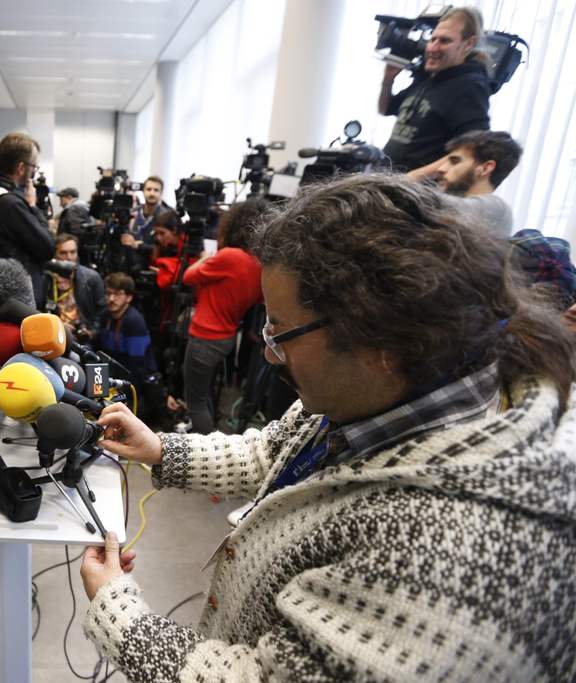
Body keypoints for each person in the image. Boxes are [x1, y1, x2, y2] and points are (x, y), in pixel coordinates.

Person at [80, 173, 576, 682]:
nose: (269, 353)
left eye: (281, 331)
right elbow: (273, 455)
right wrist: (161, 449)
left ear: (378, 340)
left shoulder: (453, 561)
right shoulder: (373, 393)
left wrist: (118, 611)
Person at [181, 199, 267, 434]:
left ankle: (205, 446)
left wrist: (204, 257)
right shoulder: (259, 265)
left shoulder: (229, 256)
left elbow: (188, 277)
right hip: (226, 338)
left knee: (195, 402)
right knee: (205, 392)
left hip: (204, 338)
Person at [379, 7, 492, 170]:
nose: (432, 48)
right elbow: (385, 109)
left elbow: (471, 152)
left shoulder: (470, 86)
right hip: (387, 178)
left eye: (445, 41)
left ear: (469, 44)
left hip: (417, 190)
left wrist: (413, 179)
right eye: (433, 40)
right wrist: (388, 79)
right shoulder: (428, 76)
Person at [408, 130, 523, 237]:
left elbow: (422, 199)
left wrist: (414, 176)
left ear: (485, 168)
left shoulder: (497, 209)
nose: (441, 168)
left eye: (454, 161)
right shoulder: (452, 203)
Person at [0, 132, 55, 298]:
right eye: (34, 167)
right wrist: (33, 206)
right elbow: (47, 247)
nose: (34, 173)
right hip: (18, 293)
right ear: (21, 168)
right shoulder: (11, 203)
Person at [96, 273, 156, 390]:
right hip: (112, 376)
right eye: (108, 293)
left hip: (132, 382)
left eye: (118, 294)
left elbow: (137, 365)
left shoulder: (134, 321)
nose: (111, 299)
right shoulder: (105, 315)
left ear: (129, 297)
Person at [44, 232, 106, 343]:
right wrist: (56, 325)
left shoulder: (91, 277)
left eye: (73, 252)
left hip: (83, 337)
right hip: (55, 335)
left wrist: (92, 332)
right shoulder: (46, 278)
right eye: (63, 253)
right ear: (55, 255)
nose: (69, 257)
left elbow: (102, 310)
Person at [131, 175, 167, 242]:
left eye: (156, 190)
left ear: (161, 193)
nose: (152, 193)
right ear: (143, 191)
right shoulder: (133, 212)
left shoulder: (166, 216)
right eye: (148, 189)